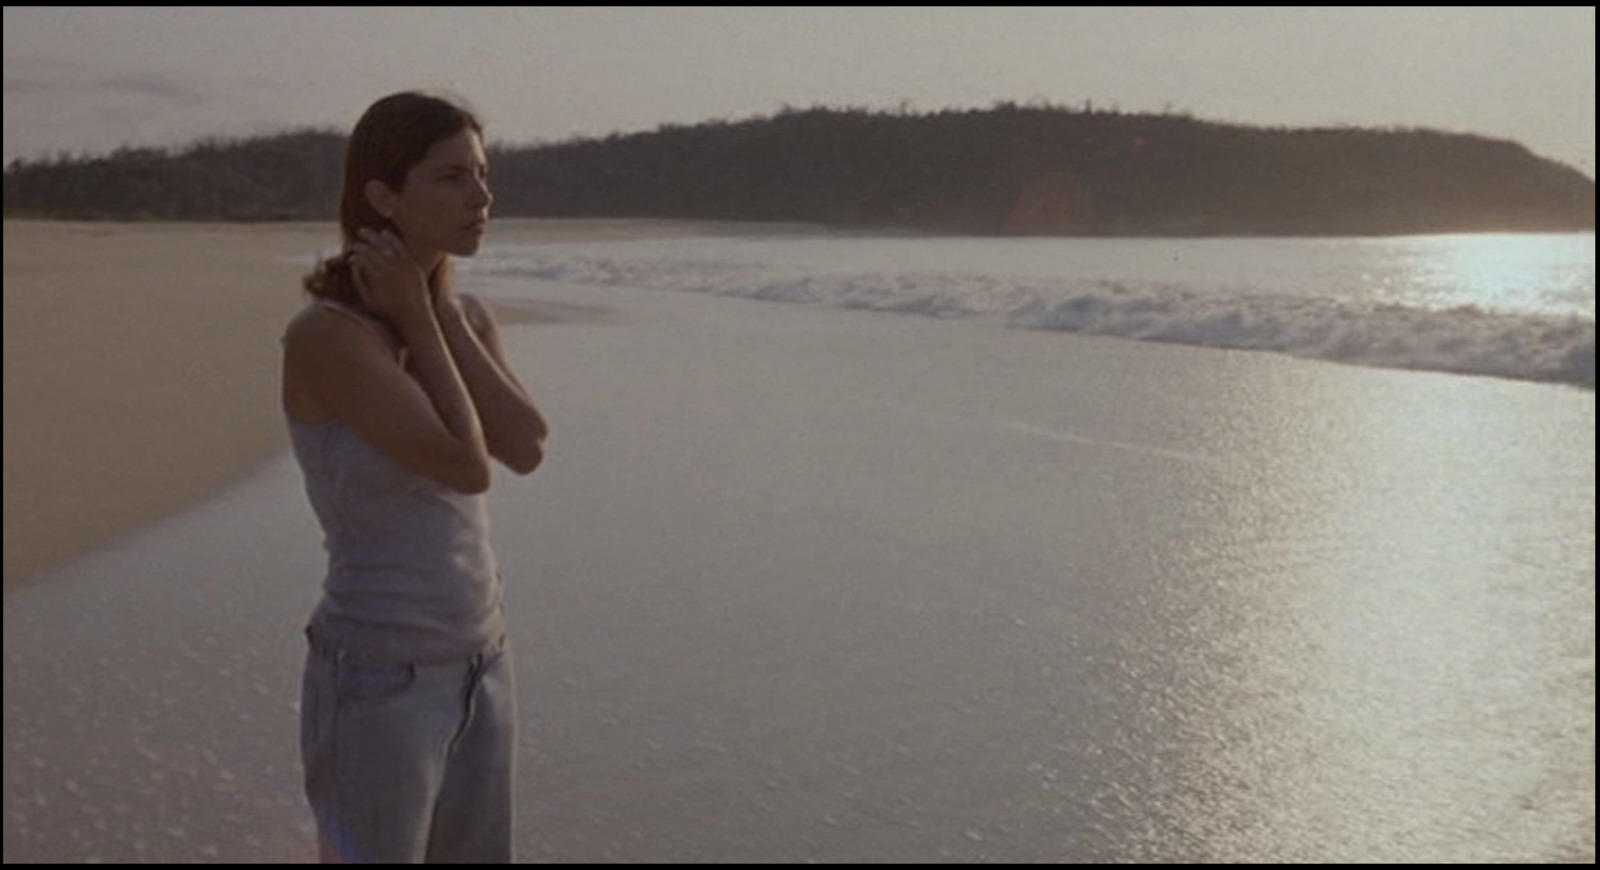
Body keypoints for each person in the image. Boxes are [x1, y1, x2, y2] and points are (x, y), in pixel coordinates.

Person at [280, 90, 548, 863]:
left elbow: (526, 445)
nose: (481, 197)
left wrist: (438, 315)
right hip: (378, 679)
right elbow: (466, 466)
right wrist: (426, 323)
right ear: (383, 196)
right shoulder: (329, 338)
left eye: (484, 175)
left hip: (482, 662)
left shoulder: (463, 320)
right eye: (451, 177)